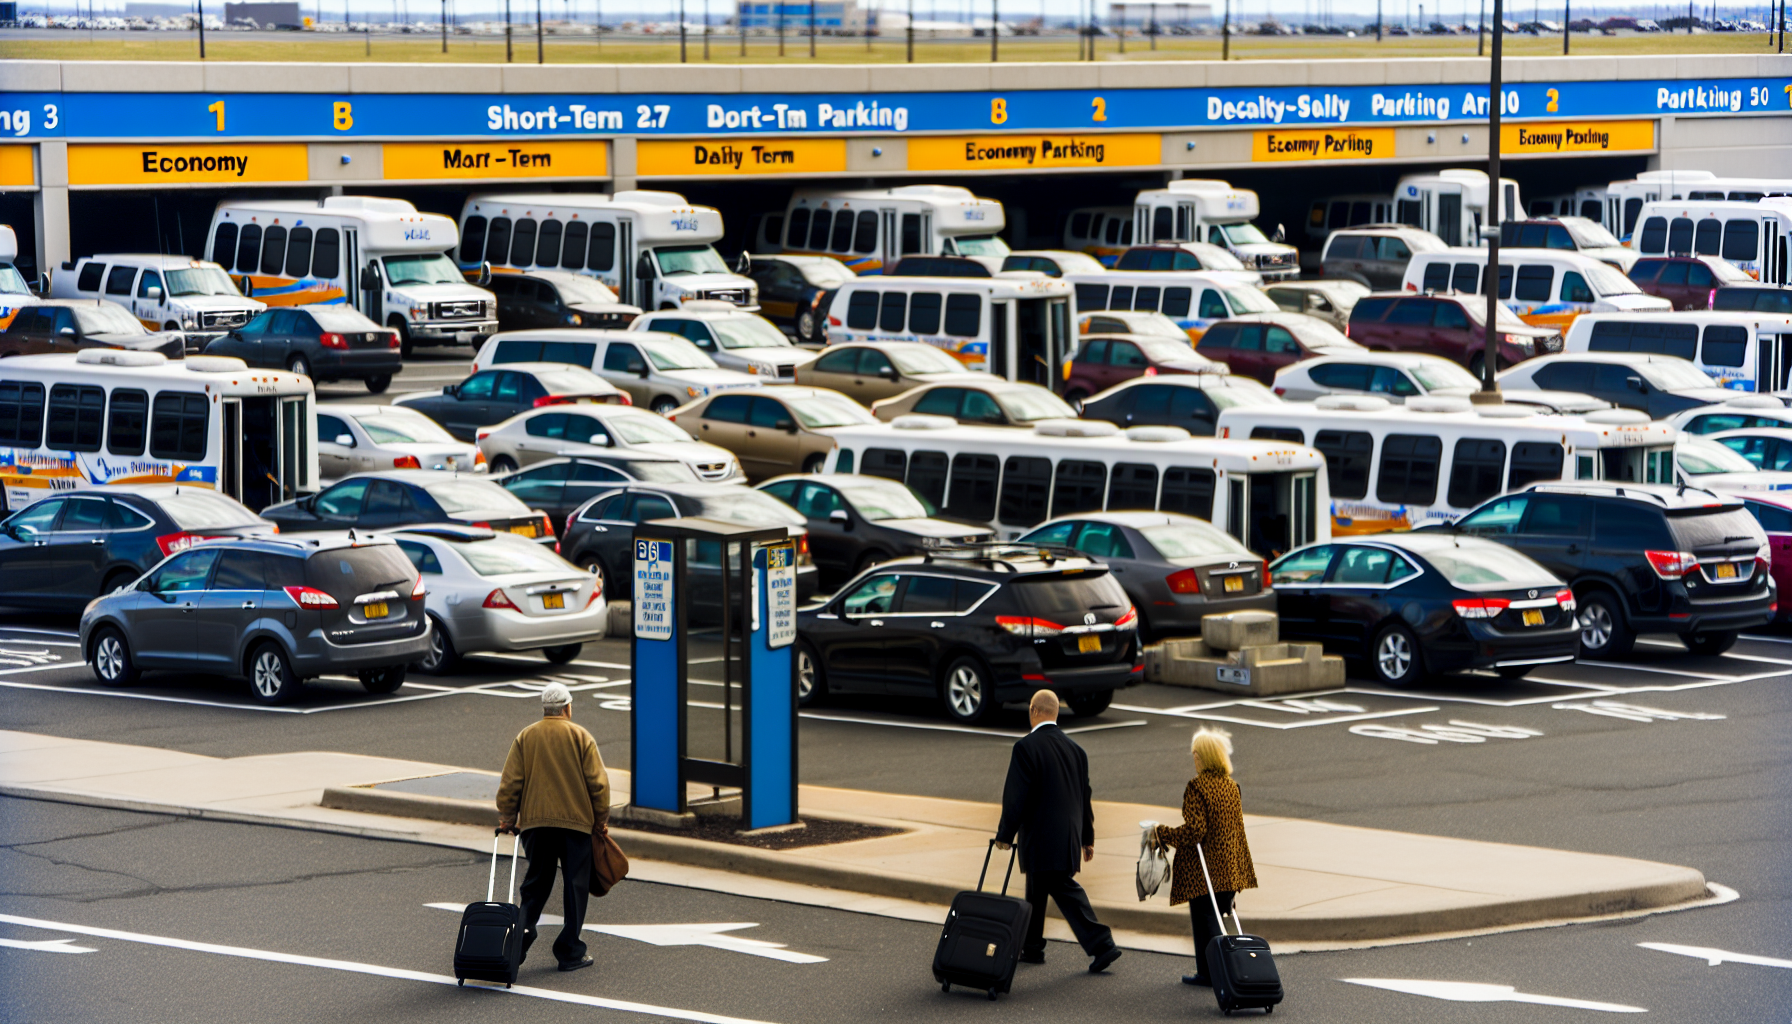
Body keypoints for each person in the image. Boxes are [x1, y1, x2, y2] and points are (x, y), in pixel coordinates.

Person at [995, 690, 1123, 974]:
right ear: (1055, 712)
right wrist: (1087, 838)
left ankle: (1102, 943)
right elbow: (1084, 797)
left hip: (1041, 835)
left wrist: (1005, 834)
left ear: (1034, 711)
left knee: (1062, 887)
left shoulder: (1026, 748)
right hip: (1068, 836)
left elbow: (1016, 796)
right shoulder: (1077, 751)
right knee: (1038, 886)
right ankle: (1032, 946)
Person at [496, 681, 611, 973]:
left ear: (546, 710)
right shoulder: (580, 736)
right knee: (575, 886)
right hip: (576, 826)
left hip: (536, 826)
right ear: (567, 708)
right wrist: (601, 821)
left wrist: (508, 819)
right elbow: (598, 785)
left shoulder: (526, 736)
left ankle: (518, 940)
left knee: (535, 885)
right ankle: (570, 950)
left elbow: (511, 783)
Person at [1153, 727, 1258, 987]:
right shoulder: (1232, 787)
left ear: (1203, 757)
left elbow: (1195, 830)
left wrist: (1162, 833)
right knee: (1222, 917)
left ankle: (1214, 973)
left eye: (1195, 754)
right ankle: (1224, 970)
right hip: (1229, 868)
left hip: (1204, 870)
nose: (1193, 759)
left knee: (1204, 922)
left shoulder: (1197, 787)